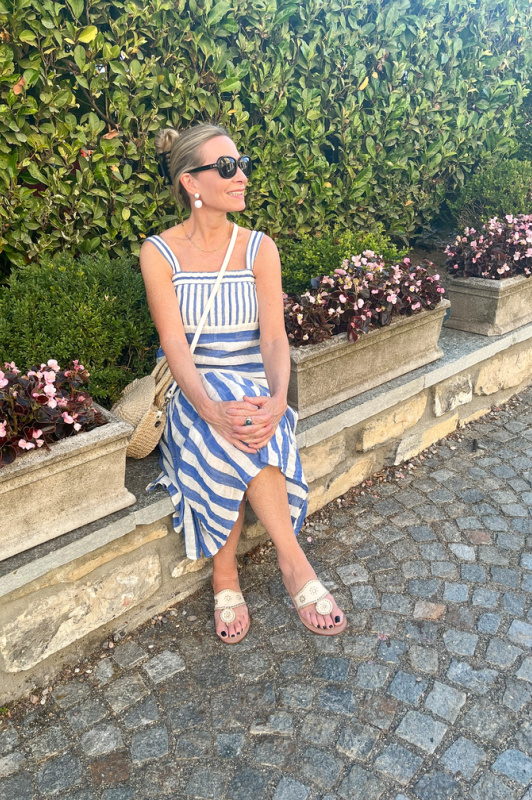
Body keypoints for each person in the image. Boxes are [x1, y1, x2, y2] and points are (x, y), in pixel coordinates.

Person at [140, 123, 347, 642]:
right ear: (192, 183)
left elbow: (274, 340)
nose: (242, 177)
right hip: (195, 393)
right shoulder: (159, 253)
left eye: (242, 164)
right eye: (228, 168)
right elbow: (175, 345)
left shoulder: (260, 248)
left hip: (255, 390)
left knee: (249, 417)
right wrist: (209, 408)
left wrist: (279, 398)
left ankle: (226, 575)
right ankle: (294, 563)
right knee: (231, 421)